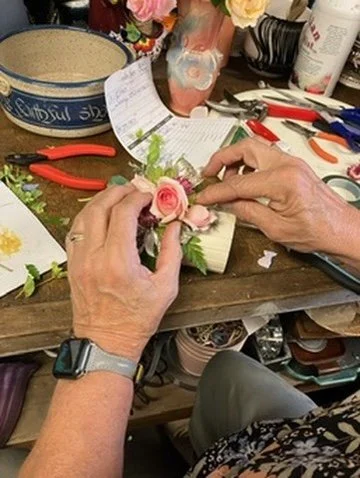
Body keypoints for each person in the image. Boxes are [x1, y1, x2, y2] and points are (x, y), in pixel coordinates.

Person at [18, 138, 360, 478]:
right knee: (226, 372)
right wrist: (345, 230)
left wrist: (106, 341)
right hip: (316, 440)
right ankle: (199, 445)